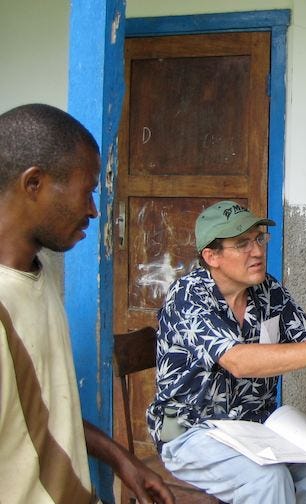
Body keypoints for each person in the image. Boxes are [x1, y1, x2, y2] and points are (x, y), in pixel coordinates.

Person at [148, 200, 306, 504]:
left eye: (259, 239)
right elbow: (237, 360)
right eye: (242, 244)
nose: (258, 251)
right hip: (186, 429)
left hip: (254, 424)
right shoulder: (188, 296)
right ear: (211, 256)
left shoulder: (267, 290)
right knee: (268, 479)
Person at [0, 104, 174, 503]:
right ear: (34, 184)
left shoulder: (35, 275)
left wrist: (121, 459)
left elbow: (42, 413)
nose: (94, 210)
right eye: (88, 189)